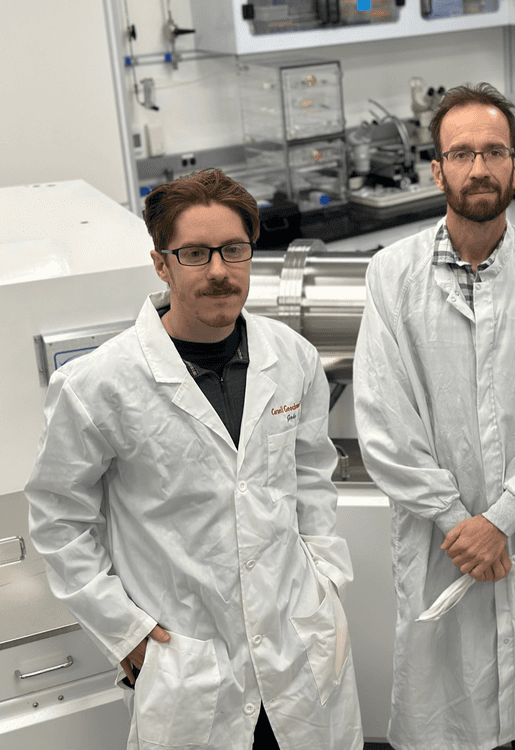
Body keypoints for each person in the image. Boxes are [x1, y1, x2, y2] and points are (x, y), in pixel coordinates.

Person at [26, 169, 363, 750]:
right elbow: (59, 522)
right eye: (195, 253)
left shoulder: (292, 356)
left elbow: (311, 476)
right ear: (162, 264)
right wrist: (126, 633)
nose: (218, 271)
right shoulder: (99, 383)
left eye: (234, 250)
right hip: (187, 660)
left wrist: (325, 579)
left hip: (296, 640)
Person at [353, 83, 515, 750]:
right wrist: (459, 522)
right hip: (442, 544)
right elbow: (384, 420)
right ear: (437, 169)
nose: (479, 168)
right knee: (444, 721)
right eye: (461, 153)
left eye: (495, 152)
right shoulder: (392, 277)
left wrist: (503, 517)